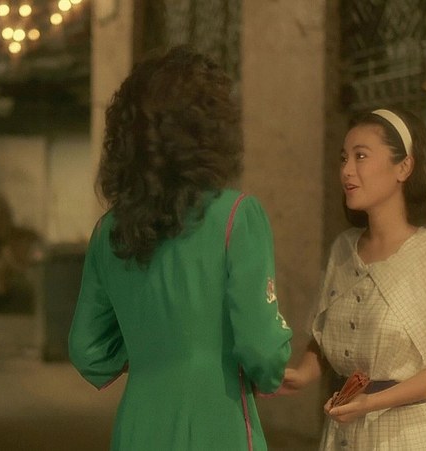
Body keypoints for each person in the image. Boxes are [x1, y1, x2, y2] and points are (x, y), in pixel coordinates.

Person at [68, 45, 292, 451]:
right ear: (210, 130)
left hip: (137, 427)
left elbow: (87, 350)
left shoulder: (109, 231)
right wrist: (267, 369)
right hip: (216, 423)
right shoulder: (237, 216)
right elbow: (262, 348)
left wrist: (152, 351)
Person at [279, 108, 426, 450]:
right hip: (344, 434)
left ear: (404, 167)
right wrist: (300, 374)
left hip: (409, 436)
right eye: (344, 158)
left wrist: (373, 402)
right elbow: (325, 333)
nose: (346, 170)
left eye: (361, 156)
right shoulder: (343, 249)